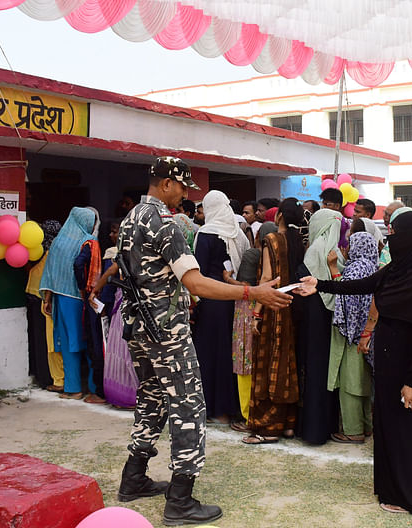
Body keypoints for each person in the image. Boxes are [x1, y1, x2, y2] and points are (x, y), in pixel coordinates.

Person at [113, 156, 291, 524]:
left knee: (152, 399)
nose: (184, 195)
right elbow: (194, 282)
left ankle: (133, 477)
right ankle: (180, 501)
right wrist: (250, 292)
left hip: (140, 329)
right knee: (189, 408)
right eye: (181, 186)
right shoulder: (163, 223)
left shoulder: (130, 219)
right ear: (165, 183)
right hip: (168, 333)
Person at [298, 210, 412, 515]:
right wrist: (320, 285)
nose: (389, 237)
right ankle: (391, 488)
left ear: (411, 238)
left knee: (407, 430)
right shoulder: (398, 269)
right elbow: (363, 285)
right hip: (388, 360)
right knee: (388, 425)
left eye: (394, 232)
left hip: (406, 367)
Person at [241, 200, 305, 444]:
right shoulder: (299, 241)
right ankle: (287, 424)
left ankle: (266, 429)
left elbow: (267, 277)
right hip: (293, 308)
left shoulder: (272, 240)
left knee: (267, 364)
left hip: (273, 306)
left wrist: (256, 312)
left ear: (278, 216)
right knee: (286, 364)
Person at [193, 190, 251, 424]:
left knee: (209, 354)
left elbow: (199, 272)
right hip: (234, 298)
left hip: (211, 300)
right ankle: (230, 409)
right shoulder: (238, 233)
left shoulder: (206, 233)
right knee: (230, 353)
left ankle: (211, 408)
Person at [294, 208, 344, 444]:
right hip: (330, 321)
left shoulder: (315, 250)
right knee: (327, 371)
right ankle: (327, 426)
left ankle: (313, 431)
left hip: (313, 322)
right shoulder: (336, 253)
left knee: (314, 371)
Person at [40, 207, 100, 400]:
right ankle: (93, 388)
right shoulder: (89, 242)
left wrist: (47, 299)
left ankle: (73, 388)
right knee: (89, 340)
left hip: (60, 298)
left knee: (67, 343)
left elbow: (50, 272)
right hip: (81, 299)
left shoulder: (58, 242)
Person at [327, 232, 378, 443]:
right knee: (363, 382)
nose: (346, 248)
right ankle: (366, 426)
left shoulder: (357, 267)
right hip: (365, 332)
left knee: (351, 383)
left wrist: (332, 269)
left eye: (349, 244)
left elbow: (346, 296)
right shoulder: (370, 265)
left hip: (354, 333)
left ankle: (353, 430)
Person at [229, 221, 276, 426]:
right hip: (272, 308)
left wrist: (227, 280)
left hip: (248, 310)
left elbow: (245, 286)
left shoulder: (252, 255)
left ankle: (248, 414)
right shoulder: (281, 255)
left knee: (244, 359)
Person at [74, 208, 107, 405]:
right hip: (105, 300)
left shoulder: (88, 243)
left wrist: (84, 287)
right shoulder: (95, 243)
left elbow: (78, 264)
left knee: (97, 344)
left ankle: (100, 391)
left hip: (97, 300)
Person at [25, 219, 62, 391]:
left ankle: (39, 373)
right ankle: (47, 377)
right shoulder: (54, 251)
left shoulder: (37, 249)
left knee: (37, 337)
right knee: (46, 340)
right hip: (44, 297)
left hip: (33, 292)